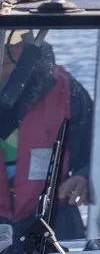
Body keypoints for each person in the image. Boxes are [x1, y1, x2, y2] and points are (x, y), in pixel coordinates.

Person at [0, 30, 94, 232]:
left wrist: (84, 177)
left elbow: (96, 153)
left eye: (11, 43)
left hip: (53, 226)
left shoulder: (67, 90)